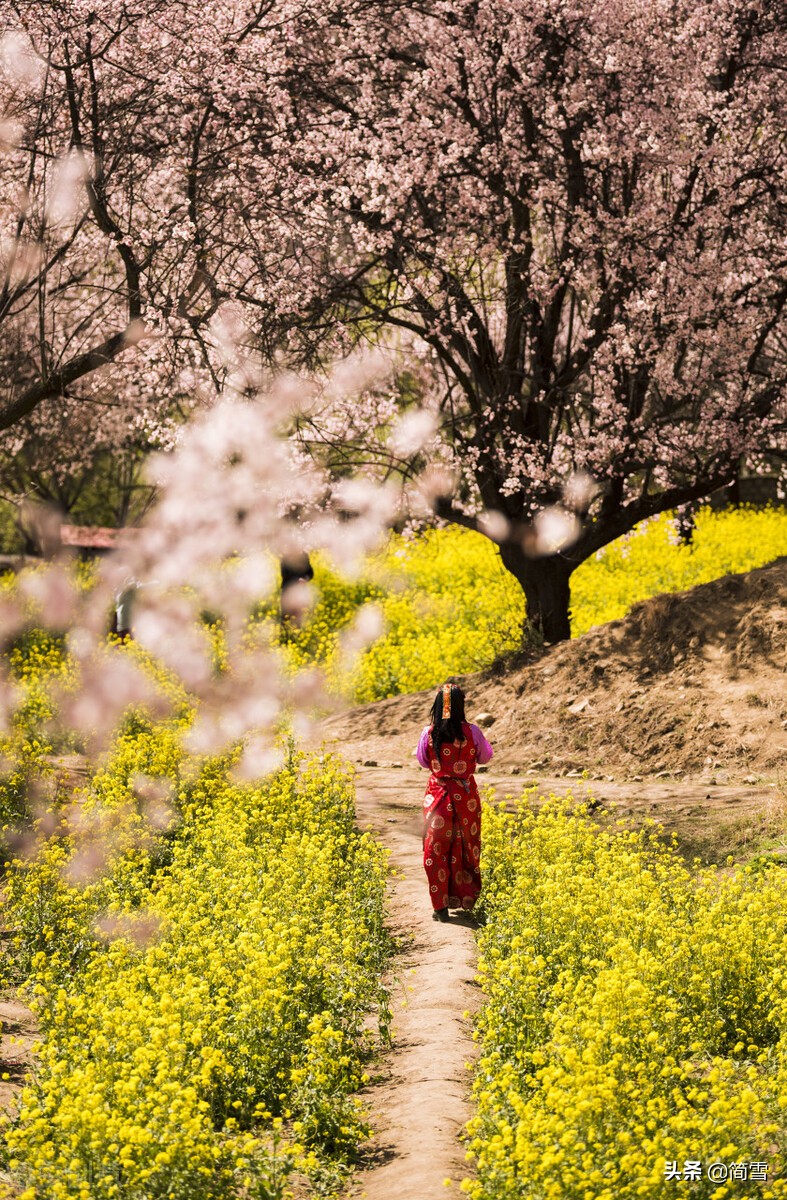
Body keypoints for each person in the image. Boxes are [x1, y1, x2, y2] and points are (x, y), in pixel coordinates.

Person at [415, 683, 493, 922]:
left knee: (435, 849)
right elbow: (486, 756)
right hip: (466, 797)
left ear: (438, 706)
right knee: (466, 846)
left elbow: (423, 761)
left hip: (438, 795)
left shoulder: (429, 733)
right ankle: (465, 900)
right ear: (461, 705)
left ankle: (440, 908)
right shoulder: (473, 732)